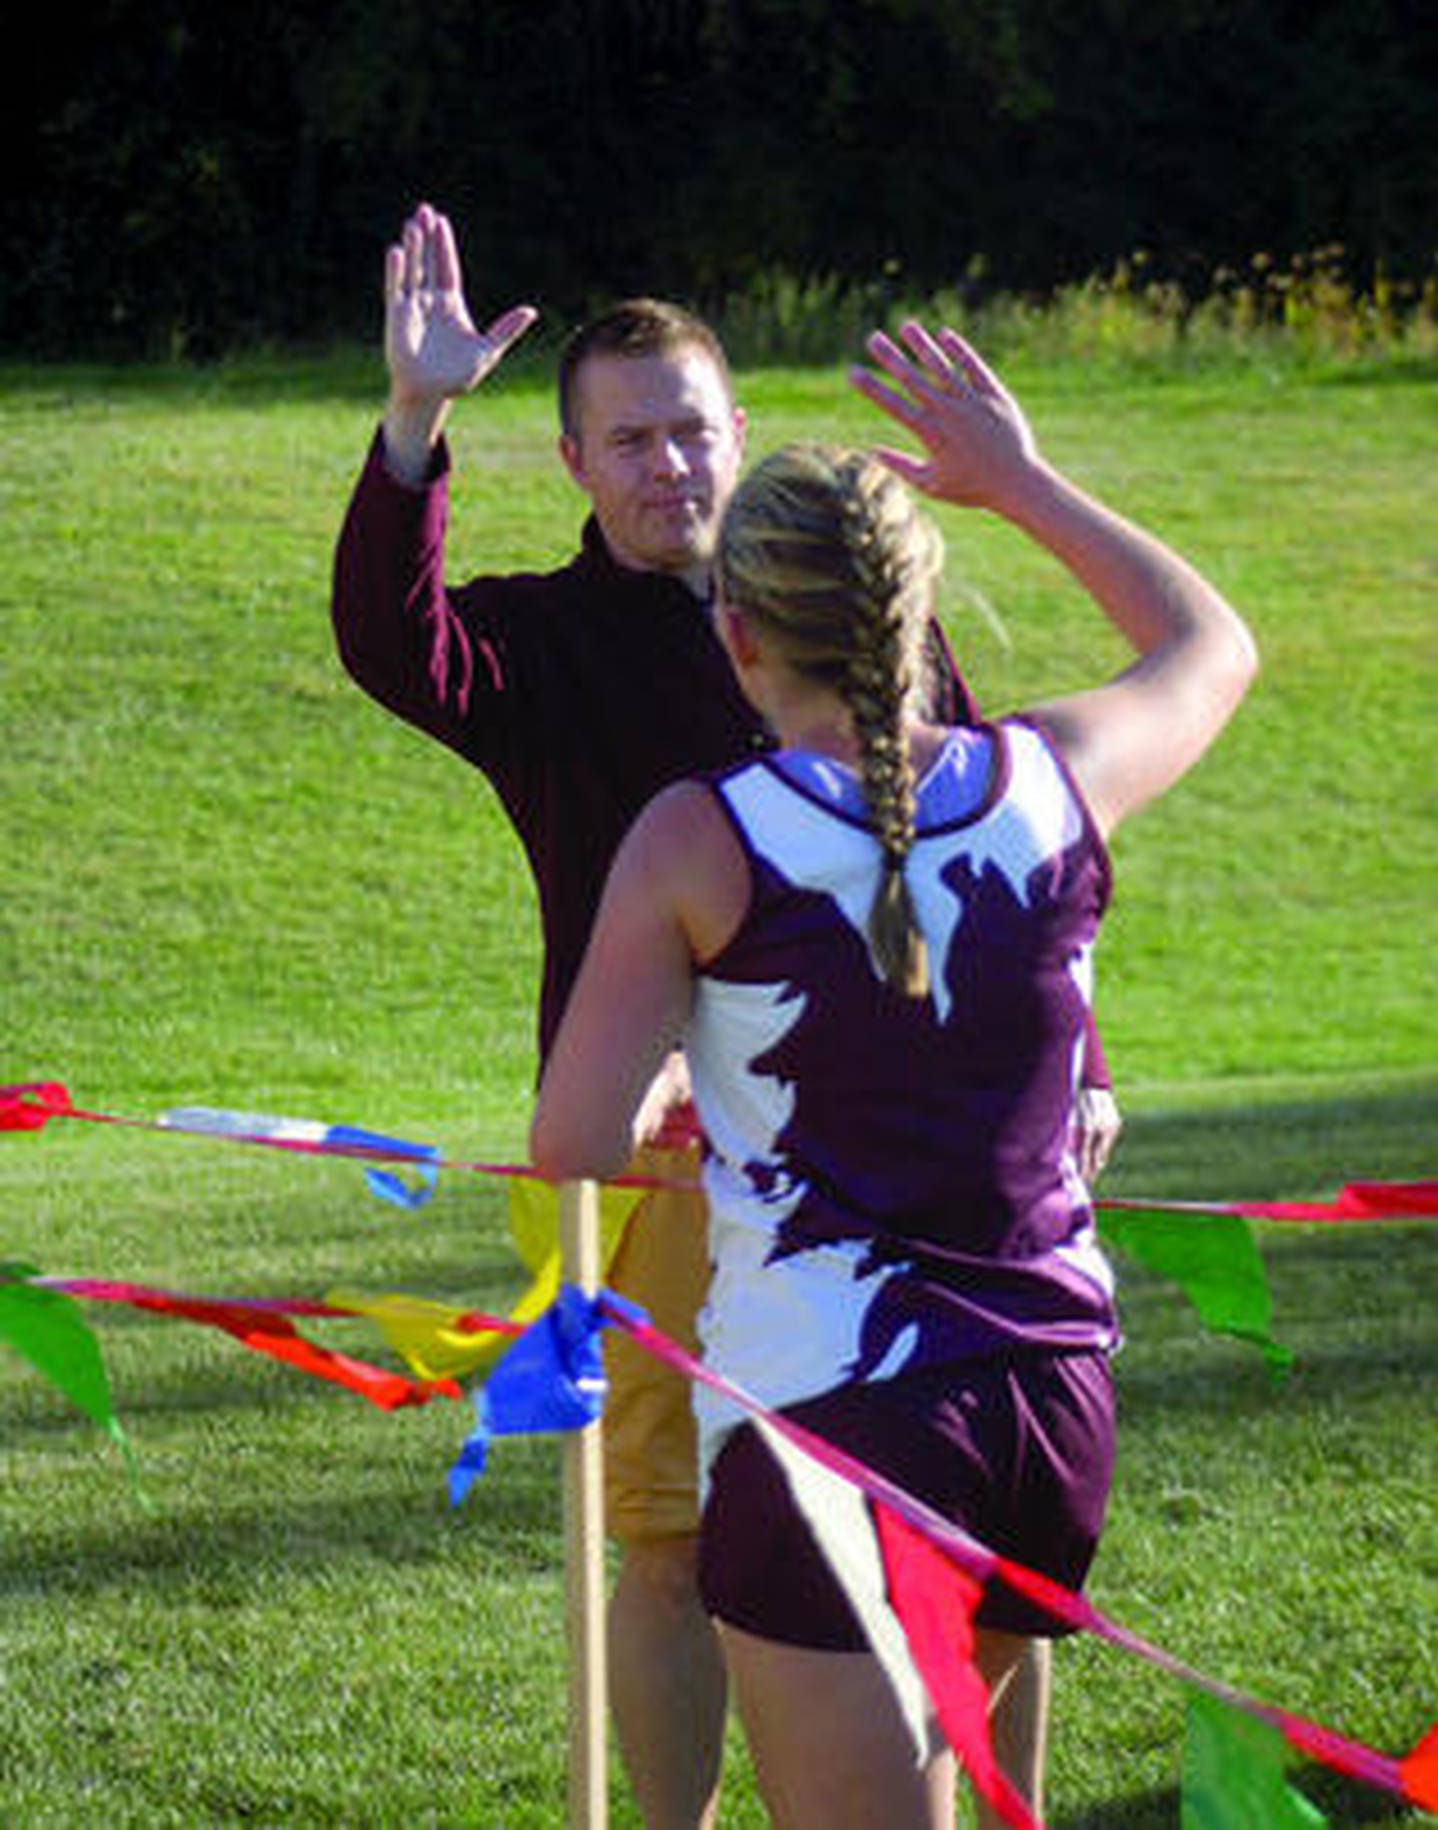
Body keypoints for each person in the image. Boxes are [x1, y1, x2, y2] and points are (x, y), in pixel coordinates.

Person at [333, 208, 1112, 1824]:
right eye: (628, 439)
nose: (667, 467)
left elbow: (995, 856)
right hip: (666, 1171)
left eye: (690, 429)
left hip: (915, 1174)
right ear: (572, 461)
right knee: (681, 1542)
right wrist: (414, 426)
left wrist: (1082, 1070)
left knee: (986, 1558)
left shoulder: (857, 608)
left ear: (736, 430)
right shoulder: (540, 648)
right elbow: (390, 644)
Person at [531, 321, 1258, 1827]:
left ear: (737, 636)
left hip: (833, 1421)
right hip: (1051, 1409)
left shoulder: (697, 834)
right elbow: (1215, 645)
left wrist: (684, 1106)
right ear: (917, 613)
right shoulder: (1055, 771)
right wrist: (1026, 484)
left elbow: (572, 1137)